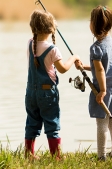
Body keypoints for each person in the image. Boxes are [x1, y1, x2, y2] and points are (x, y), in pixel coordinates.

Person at [25, 9, 79, 159]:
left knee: (31, 123)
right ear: (51, 29)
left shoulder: (30, 44)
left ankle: (28, 154)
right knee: (52, 125)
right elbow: (62, 69)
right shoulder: (52, 50)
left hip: (30, 93)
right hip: (47, 94)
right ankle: (56, 156)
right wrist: (73, 58)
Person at [75, 5, 112, 161]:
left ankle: (101, 156)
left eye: (90, 20)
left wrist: (102, 91)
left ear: (94, 25)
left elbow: (100, 72)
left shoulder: (96, 48)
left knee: (101, 125)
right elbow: (101, 68)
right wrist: (83, 66)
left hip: (104, 92)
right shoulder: (111, 43)